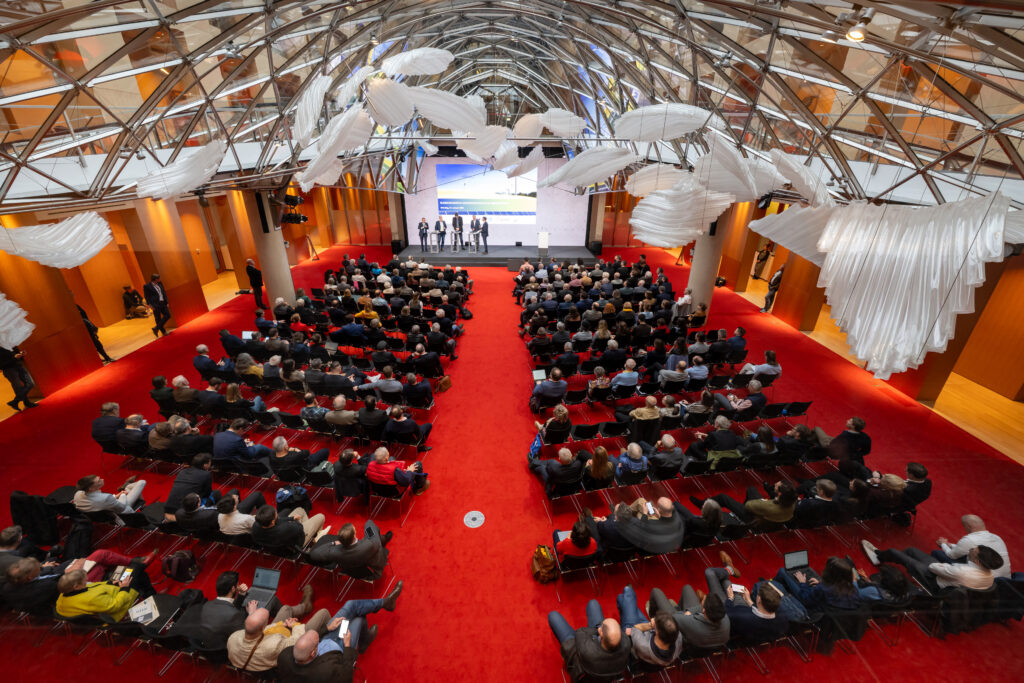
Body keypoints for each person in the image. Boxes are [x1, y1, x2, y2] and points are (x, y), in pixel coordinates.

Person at [276, 582, 403, 681]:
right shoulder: (326, 673)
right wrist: (347, 646)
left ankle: (385, 603)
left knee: (351, 606)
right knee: (359, 617)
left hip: (328, 637)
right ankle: (364, 641)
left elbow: (314, 639)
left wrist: (327, 629)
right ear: (313, 652)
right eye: (316, 640)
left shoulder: (284, 656)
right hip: (340, 649)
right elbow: (347, 674)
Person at [194, 571, 313, 649]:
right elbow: (249, 633)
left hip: (217, 644)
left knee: (271, 600)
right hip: (245, 645)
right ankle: (301, 609)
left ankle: (289, 614)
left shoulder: (207, 605)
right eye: (238, 584)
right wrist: (252, 613)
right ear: (233, 589)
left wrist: (241, 595)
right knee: (284, 608)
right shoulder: (233, 616)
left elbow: (228, 608)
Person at [862, 540, 1004, 592]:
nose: (971, 550)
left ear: (978, 560)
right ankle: (886, 557)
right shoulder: (989, 576)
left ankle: (878, 555)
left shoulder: (962, 570)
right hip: (946, 574)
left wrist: (942, 567)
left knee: (895, 552)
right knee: (911, 551)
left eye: (973, 550)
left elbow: (933, 568)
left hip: (932, 579)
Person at [227, 604, 332, 672]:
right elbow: (296, 641)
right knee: (323, 612)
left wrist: (282, 624)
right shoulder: (275, 645)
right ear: (263, 627)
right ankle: (329, 635)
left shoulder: (233, 637)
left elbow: (263, 629)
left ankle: (305, 606)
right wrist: (294, 625)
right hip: (275, 661)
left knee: (285, 608)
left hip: (252, 660)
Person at [705, 559, 788, 643]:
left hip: (730, 608)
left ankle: (729, 570)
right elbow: (762, 614)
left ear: (759, 600)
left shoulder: (740, 617)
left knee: (709, 573)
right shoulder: (783, 618)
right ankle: (729, 570)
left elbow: (727, 613)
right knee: (729, 585)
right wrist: (749, 601)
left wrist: (730, 598)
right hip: (744, 610)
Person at [547, 602, 631, 681]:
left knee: (553, 615)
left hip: (579, 653)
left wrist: (597, 630)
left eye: (601, 626)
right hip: (606, 672)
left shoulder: (587, 650)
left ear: (601, 632)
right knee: (593, 603)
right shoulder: (626, 644)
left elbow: (580, 632)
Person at [615, 585, 683, 667]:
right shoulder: (678, 636)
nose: (653, 619)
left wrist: (651, 625)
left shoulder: (642, 644)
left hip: (636, 634)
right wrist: (655, 626)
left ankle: (626, 593)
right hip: (648, 634)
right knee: (626, 602)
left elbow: (634, 628)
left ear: (657, 632)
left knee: (627, 592)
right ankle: (624, 599)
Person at [648, 584, 730, 650]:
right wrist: (690, 611)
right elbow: (700, 608)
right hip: (705, 642)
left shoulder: (691, 623)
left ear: (704, 610)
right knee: (687, 588)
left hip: (687, 642)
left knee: (656, 591)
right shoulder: (725, 619)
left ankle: (653, 617)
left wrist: (686, 614)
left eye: (703, 600)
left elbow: (674, 617)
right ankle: (678, 608)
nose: (701, 601)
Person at [931, 514, 1011, 578]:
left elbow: (951, 555)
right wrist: (950, 545)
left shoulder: (969, 540)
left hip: (984, 577)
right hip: (1004, 578)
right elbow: (966, 549)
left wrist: (943, 544)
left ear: (969, 527)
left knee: (936, 553)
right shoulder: (997, 537)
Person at [309, 520, 392, 578]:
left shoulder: (335, 552)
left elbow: (314, 554)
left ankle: (382, 539)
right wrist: (369, 526)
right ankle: (383, 539)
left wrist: (333, 543)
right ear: (354, 534)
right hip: (371, 571)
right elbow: (369, 523)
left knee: (375, 538)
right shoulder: (369, 544)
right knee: (374, 534)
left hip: (353, 571)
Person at [776, 556, 862, 611]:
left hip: (814, 611)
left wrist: (802, 583)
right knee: (810, 570)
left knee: (783, 571)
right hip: (831, 616)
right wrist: (820, 583)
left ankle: (773, 588)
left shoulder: (823, 588)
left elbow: (805, 598)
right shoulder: (854, 589)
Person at [701, 480, 797, 527]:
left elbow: (749, 505)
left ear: (780, 494)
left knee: (723, 497)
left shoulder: (768, 506)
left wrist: (762, 502)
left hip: (754, 520)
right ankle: (738, 513)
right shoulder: (791, 504)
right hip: (769, 519)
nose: (775, 484)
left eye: (776, 485)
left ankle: (704, 505)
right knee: (752, 489)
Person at [251, 505, 326, 549]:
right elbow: (300, 527)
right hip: (297, 542)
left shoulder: (256, 526)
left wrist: (291, 518)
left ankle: (312, 533)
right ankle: (315, 539)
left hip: (276, 543)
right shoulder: (286, 528)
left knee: (300, 509)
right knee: (321, 516)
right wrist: (291, 523)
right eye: (275, 513)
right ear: (272, 521)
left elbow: (278, 520)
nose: (276, 512)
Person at [73, 474, 145, 514]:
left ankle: (126, 486)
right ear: (91, 488)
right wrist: (123, 495)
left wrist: (118, 495)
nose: (102, 479)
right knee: (142, 482)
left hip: (104, 512)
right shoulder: (105, 497)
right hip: (122, 512)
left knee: (130, 488)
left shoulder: (78, 494)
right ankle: (126, 486)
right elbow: (122, 507)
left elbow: (104, 501)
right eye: (99, 481)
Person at [0, 344, 37, 411]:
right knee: (18, 388)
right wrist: (14, 358)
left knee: (30, 383)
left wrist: (21, 354)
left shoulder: (10, 343)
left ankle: (15, 401)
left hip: (19, 366)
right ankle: (26, 403)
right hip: (9, 370)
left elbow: (16, 354)